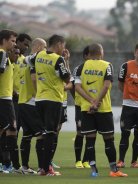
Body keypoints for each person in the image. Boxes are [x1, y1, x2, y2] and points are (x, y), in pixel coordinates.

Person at [75, 43, 127, 177]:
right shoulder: (107, 65)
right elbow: (106, 85)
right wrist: (97, 102)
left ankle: (94, 171)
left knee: (90, 140)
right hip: (102, 108)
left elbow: (77, 87)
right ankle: (114, 170)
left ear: (89, 53)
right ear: (101, 53)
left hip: (87, 109)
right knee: (108, 140)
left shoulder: (81, 67)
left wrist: (90, 101)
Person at [30, 34, 71, 176]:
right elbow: (67, 79)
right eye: (63, 45)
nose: (63, 48)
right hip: (53, 100)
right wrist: (65, 61)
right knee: (51, 134)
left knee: (43, 134)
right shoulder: (57, 59)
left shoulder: (38, 55)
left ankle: (42, 167)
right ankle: (47, 169)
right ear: (59, 44)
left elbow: (32, 68)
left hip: (39, 99)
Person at [18, 38, 47, 174]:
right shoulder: (35, 60)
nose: (46, 50)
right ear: (39, 46)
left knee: (27, 135)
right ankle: (43, 168)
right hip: (31, 101)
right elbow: (34, 78)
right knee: (41, 134)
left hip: (22, 100)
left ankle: (24, 166)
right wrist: (39, 95)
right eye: (45, 47)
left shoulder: (23, 60)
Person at [0, 29, 18, 173]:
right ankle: (6, 164)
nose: (14, 43)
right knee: (8, 129)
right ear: (4, 40)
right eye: (12, 40)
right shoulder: (2, 54)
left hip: (5, 97)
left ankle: (6, 163)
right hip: (3, 99)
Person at [73, 46, 91, 169]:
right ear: (85, 56)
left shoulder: (99, 68)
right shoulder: (79, 69)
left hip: (93, 105)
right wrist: (76, 99)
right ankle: (78, 160)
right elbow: (74, 86)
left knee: (90, 133)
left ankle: (86, 160)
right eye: (91, 55)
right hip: (80, 105)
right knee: (80, 132)